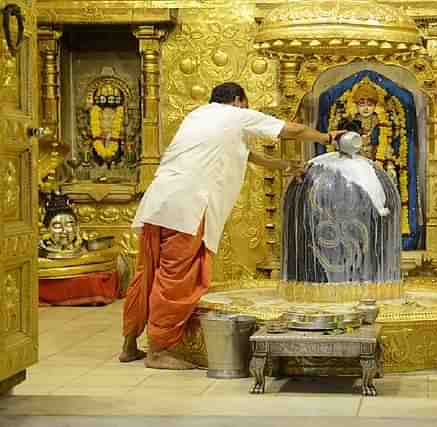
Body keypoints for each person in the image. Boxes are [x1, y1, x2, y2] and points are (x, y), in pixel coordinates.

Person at [119, 82, 343, 369]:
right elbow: (294, 130)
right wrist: (328, 137)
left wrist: (283, 165)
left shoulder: (198, 116)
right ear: (238, 101)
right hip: (189, 206)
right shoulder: (236, 115)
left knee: (148, 272)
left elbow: (243, 153)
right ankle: (158, 351)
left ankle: (129, 345)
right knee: (177, 278)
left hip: (160, 202)